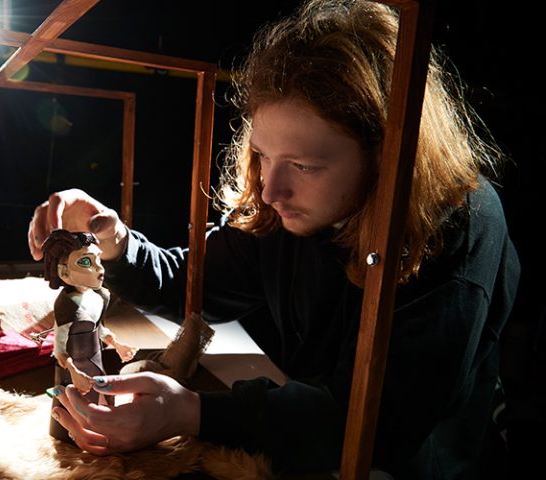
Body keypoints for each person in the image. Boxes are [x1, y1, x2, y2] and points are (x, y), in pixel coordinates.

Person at [28, 0, 520, 477]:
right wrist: (114, 239)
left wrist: (194, 414)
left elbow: (380, 424)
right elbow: (194, 281)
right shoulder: (285, 209)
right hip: (308, 441)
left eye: (304, 165)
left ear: (387, 155)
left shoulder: (455, 223)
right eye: (262, 155)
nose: (270, 189)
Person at [41, 229, 137, 442]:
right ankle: (71, 433)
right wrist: (74, 372)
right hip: (75, 365)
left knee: (101, 395)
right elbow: (59, 348)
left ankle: (101, 426)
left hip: (96, 357)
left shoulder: (101, 296)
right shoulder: (65, 305)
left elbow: (98, 327)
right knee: (73, 401)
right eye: (85, 263)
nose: (99, 269)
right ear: (64, 272)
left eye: (98, 260)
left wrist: (116, 343)